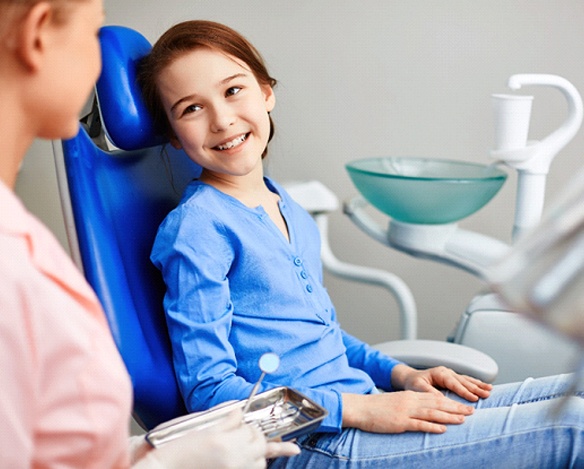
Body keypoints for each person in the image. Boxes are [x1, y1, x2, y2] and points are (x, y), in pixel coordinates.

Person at [143, 19, 584, 468]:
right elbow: (210, 394)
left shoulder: (283, 204)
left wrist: (400, 375)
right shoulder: (198, 228)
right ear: (175, 138)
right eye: (191, 109)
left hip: (357, 406)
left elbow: (324, 338)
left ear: (266, 92)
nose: (222, 119)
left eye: (233, 90)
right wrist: (359, 409)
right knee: (575, 427)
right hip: (307, 443)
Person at [0, 1, 299, 467]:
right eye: (92, 33)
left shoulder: (24, 245)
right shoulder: (13, 272)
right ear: (40, 32)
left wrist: (141, 454)